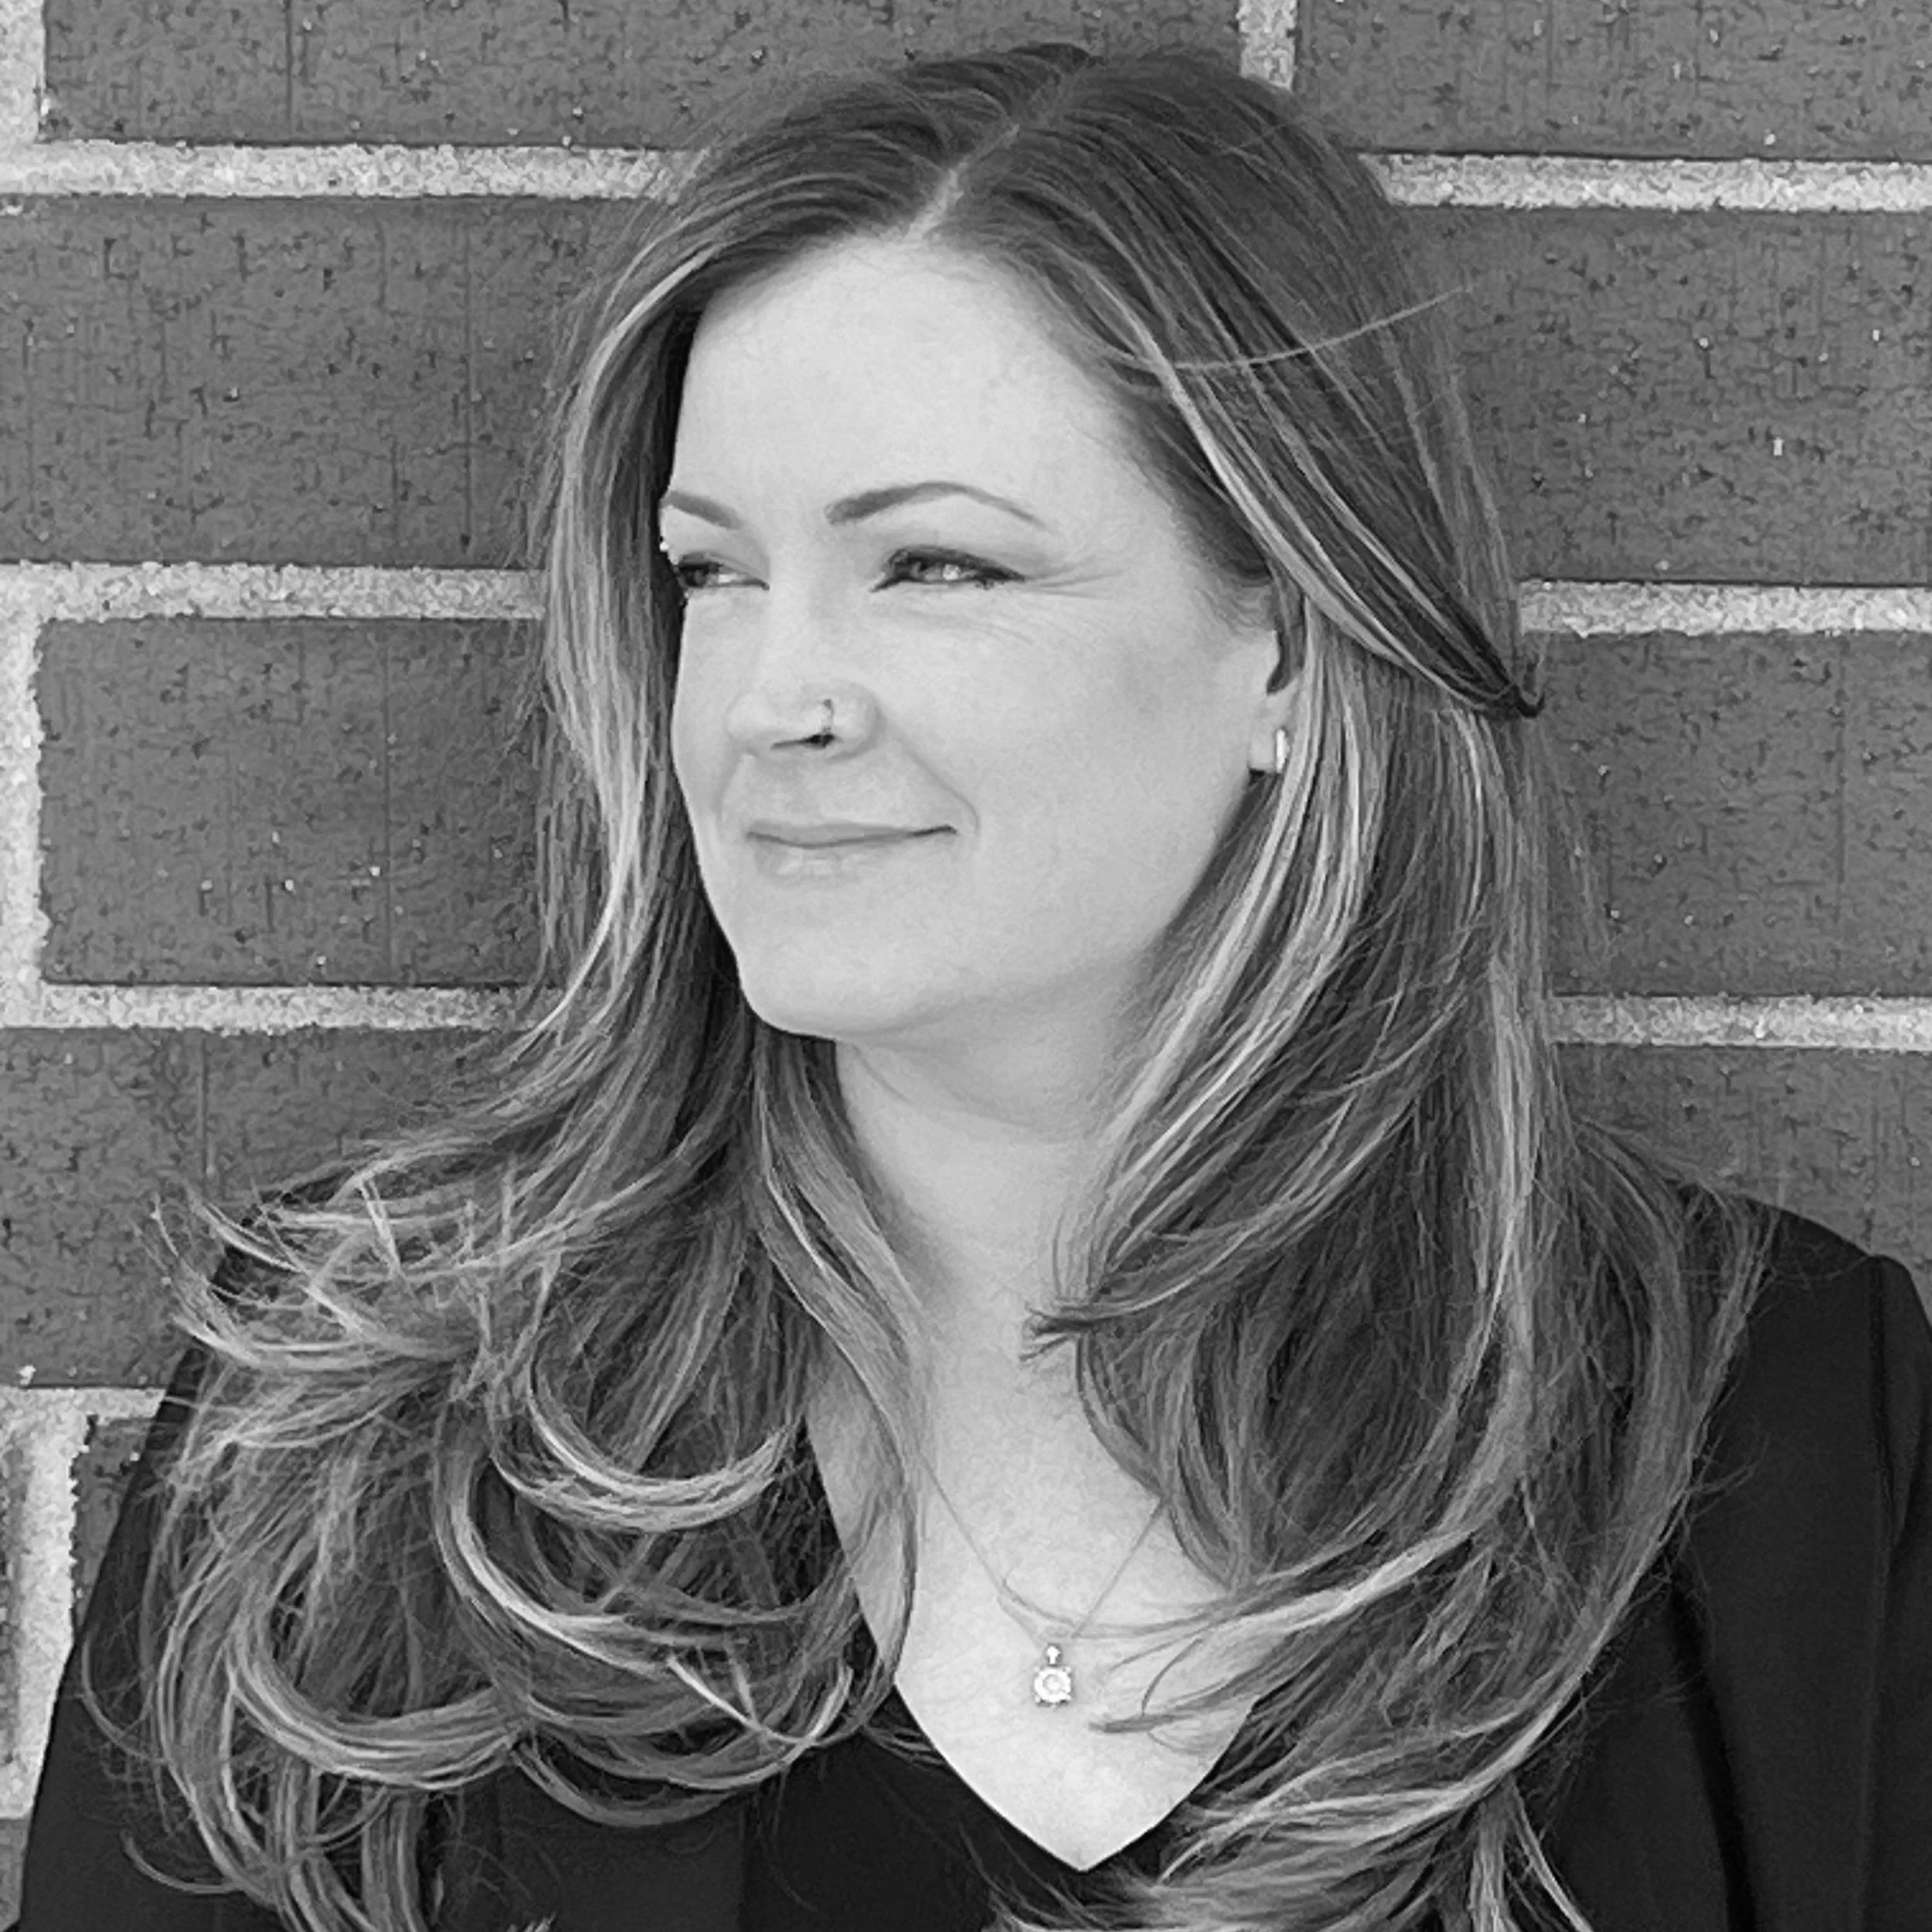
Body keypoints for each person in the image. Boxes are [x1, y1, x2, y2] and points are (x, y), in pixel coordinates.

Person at [12, 39, 1929, 1932]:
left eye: (934, 565)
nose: (770, 699)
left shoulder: (1776, 1441)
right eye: (712, 571)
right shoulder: (363, 1419)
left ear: (1286, 640)